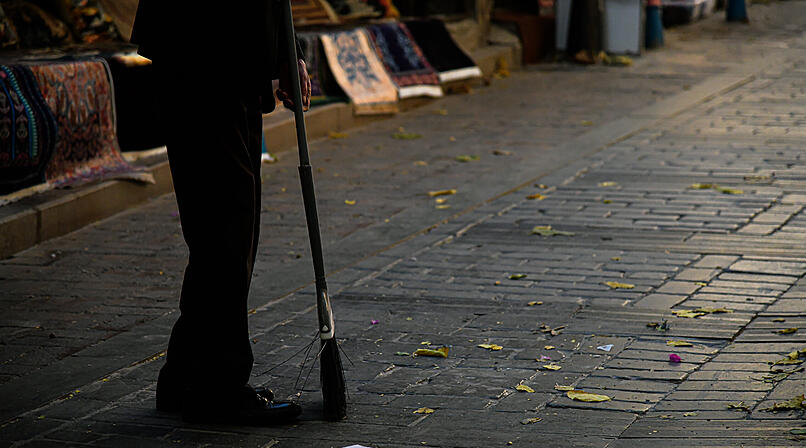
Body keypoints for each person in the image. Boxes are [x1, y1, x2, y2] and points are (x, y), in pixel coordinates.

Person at [130, 0, 312, 425]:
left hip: (231, 60)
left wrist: (289, 52)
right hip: (206, 56)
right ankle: (218, 388)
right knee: (227, 230)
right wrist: (286, 54)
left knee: (227, 230)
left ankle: (186, 377)